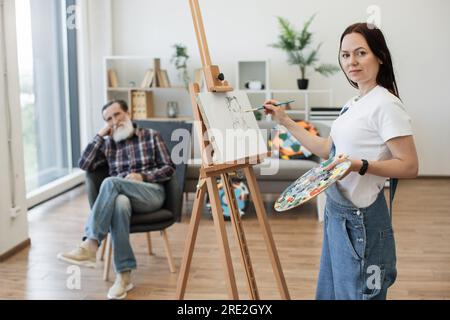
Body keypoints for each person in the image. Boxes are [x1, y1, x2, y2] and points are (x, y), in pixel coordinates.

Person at [264, 23, 418, 300]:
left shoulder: (386, 104)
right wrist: (285, 120)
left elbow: (409, 165)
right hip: (337, 214)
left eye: (361, 53)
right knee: (332, 294)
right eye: (345, 55)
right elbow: (328, 150)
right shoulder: (354, 103)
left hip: (361, 221)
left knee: (357, 295)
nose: (352, 61)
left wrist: (361, 165)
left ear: (379, 56)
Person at [57, 100, 175, 300]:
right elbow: (84, 164)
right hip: (123, 198)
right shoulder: (108, 144)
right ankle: (124, 276)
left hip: (151, 194)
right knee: (119, 202)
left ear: (128, 113)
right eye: (108, 119)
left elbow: (169, 168)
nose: (115, 121)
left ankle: (91, 243)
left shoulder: (151, 136)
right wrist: (100, 136)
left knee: (111, 183)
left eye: (117, 115)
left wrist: (143, 177)